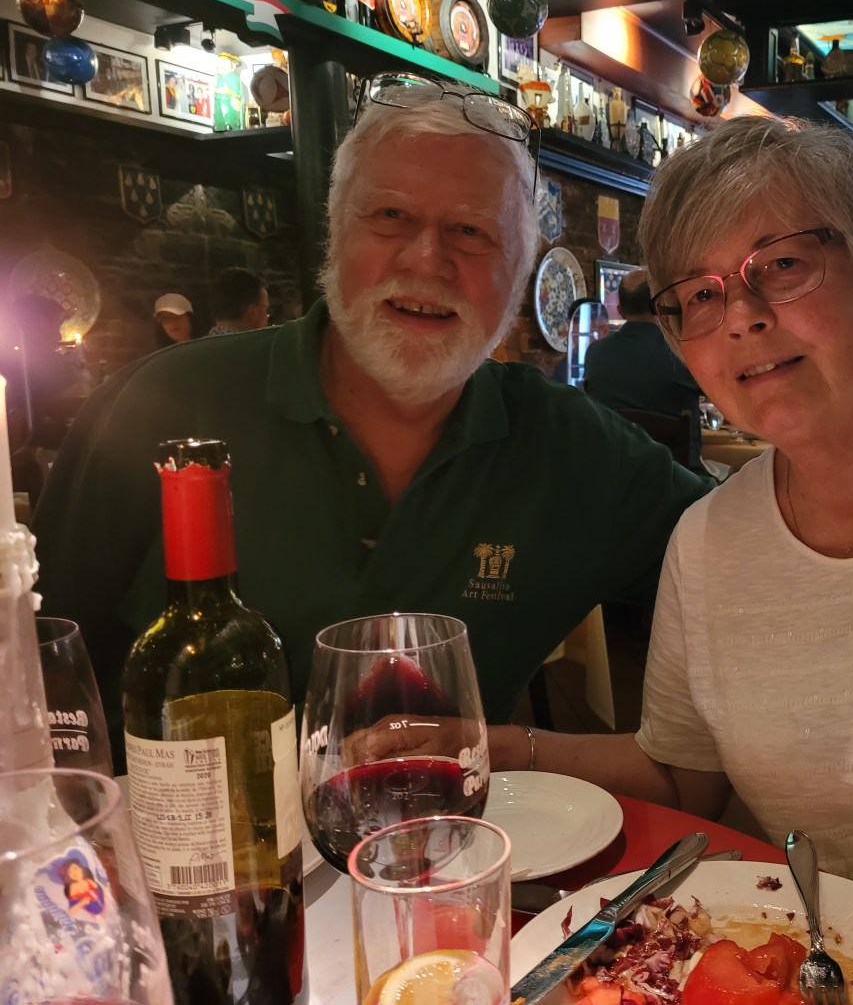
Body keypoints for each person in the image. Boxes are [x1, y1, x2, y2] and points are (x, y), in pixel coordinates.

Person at [32, 71, 713, 775]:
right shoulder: (153, 406)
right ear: (336, 235)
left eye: (471, 231)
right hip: (171, 838)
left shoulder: (569, 447)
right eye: (390, 216)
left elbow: (745, 556)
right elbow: (30, 675)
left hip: (449, 840)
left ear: (519, 274)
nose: (427, 260)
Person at [490, 116, 853, 995]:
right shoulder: (708, 539)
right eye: (698, 294)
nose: (741, 316)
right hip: (813, 967)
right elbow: (680, 777)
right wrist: (498, 746)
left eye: (783, 263)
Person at [583, 269, 702, 468]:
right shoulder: (682, 353)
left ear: (620, 311)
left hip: (609, 473)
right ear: (659, 306)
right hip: (677, 477)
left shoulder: (595, 353)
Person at [207, 268, 270, 336]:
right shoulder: (260, 342)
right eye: (266, 310)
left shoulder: (201, 342)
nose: (267, 317)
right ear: (252, 311)